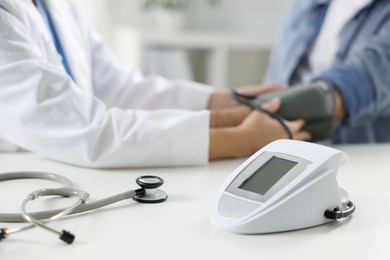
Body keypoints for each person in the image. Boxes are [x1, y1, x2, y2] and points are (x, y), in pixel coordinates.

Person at [0, 0, 309, 168]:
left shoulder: (58, 5)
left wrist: (222, 100)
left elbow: (116, 88)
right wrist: (241, 139)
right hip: (30, 182)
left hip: (76, 174)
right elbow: (88, 133)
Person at [264, 0, 390, 144]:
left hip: (353, 157)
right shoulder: (306, 5)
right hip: (284, 148)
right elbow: (275, 78)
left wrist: (248, 119)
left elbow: (356, 84)